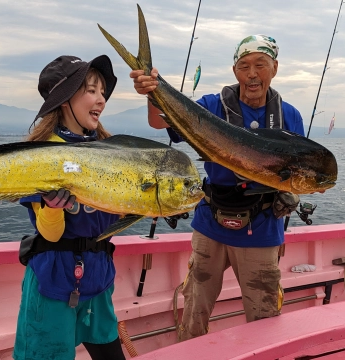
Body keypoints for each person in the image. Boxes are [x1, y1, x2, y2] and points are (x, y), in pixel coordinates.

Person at [130, 35, 305, 341]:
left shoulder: (289, 116)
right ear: (235, 71)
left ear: (274, 68)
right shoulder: (212, 106)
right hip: (210, 224)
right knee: (194, 307)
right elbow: (160, 123)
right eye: (244, 66)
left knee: (264, 314)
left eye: (260, 65)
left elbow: (301, 169)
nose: (252, 74)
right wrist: (151, 92)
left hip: (261, 229)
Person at [13, 55, 126, 360]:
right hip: (53, 279)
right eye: (91, 90)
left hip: (99, 277)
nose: (101, 99)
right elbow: (49, 235)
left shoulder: (111, 151)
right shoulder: (41, 154)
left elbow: (117, 214)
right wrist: (52, 208)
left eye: (102, 92)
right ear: (64, 100)